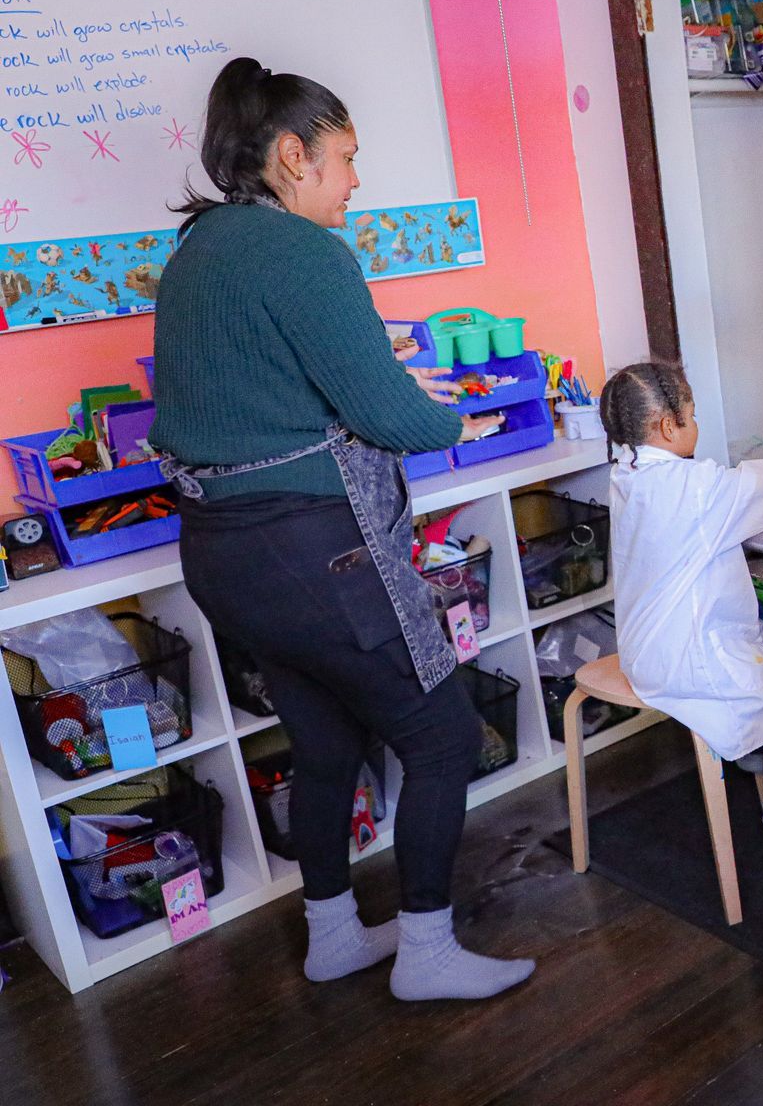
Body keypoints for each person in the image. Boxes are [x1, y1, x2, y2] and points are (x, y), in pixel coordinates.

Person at [152, 56, 533, 1001]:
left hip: (226, 560)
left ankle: (332, 934)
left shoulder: (201, 251)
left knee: (325, 745)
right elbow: (396, 420)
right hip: (312, 553)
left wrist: (389, 386)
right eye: (346, 159)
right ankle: (428, 954)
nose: (356, 183)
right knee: (442, 737)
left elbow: (279, 391)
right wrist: (455, 416)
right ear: (292, 155)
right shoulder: (305, 253)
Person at [602, 362, 763, 829]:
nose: (697, 426)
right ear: (668, 426)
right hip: (682, 658)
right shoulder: (688, 490)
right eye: (692, 418)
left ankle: (752, 746)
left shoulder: (628, 476)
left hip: (644, 647)